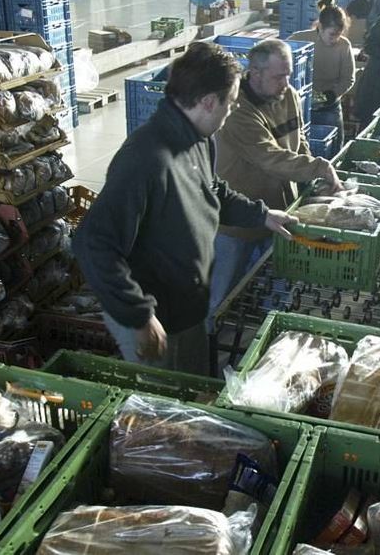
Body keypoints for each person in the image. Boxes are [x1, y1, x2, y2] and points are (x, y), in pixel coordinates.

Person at [72, 42, 296, 376]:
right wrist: (139, 314)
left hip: (188, 304)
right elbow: (93, 243)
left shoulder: (199, 137)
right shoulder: (147, 158)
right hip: (154, 314)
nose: (232, 110)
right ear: (208, 102)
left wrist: (262, 215)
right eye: (231, 103)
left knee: (193, 382)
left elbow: (213, 191)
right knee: (163, 405)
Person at [209, 39, 343, 319]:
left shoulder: (288, 94)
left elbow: (299, 138)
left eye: (289, 74)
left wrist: (311, 182)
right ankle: (208, 349)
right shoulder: (237, 111)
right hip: (237, 222)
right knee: (222, 293)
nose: (286, 82)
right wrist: (318, 167)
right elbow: (269, 157)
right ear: (255, 73)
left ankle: (258, 339)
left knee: (274, 288)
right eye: (278, 76)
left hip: (278, 212)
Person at [289, 0, 356, 132]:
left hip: (329, 108)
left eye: (339, 34)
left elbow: (348, 78)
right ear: (320, 27)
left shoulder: (344, 46)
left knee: (333, 146)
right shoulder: (300, 40)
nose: (335, 39)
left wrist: (331, 96)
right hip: (299, 105)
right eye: (332, 34)